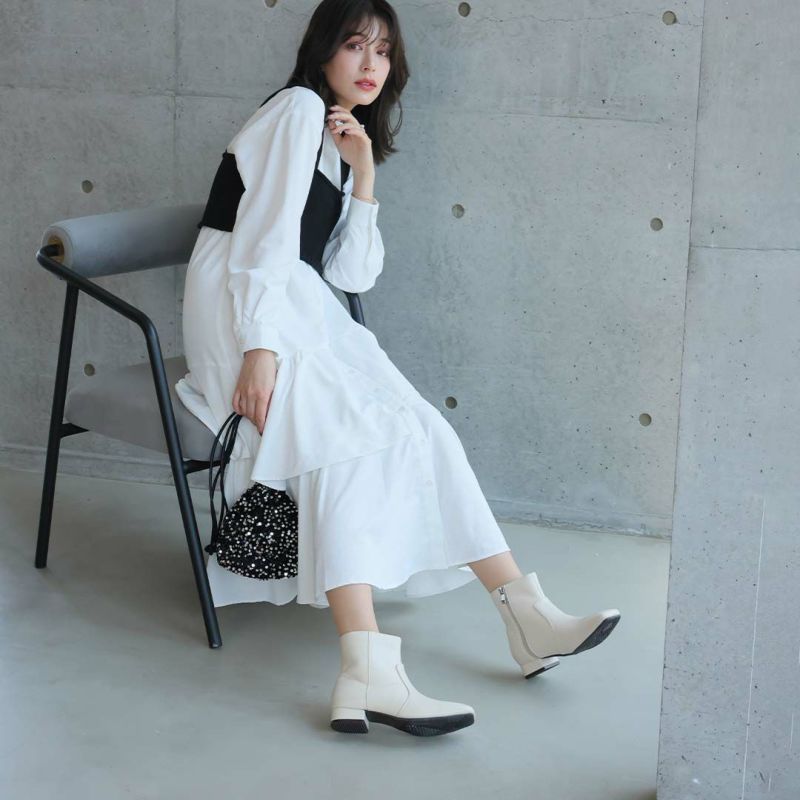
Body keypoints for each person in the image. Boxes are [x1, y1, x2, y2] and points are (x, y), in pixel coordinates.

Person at [176, 0, 621, 737]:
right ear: (323, 51)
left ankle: (526, 614)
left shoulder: (336, 136)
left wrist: (363, 173)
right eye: (356, 46)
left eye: (383, 52)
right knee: (343, 441)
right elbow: (261, 240)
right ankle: (369, 671)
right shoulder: (294, 109)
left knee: (422, 427)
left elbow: (351, 274)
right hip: (241, 308)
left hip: (303, 307)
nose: (370, 64)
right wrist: (259, 347)